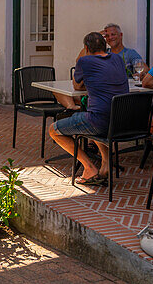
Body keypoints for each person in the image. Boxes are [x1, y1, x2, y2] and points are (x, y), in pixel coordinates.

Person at [47, 31, 129, 185]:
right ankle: (105, 165)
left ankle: (89, 167)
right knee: (90, 114)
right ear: (105, 46)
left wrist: (82, 59)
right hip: (122, 122)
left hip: (99, 122)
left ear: (86, 48)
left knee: (54, 130)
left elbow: (77, 86)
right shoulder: (118, 59)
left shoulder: (85, 61)